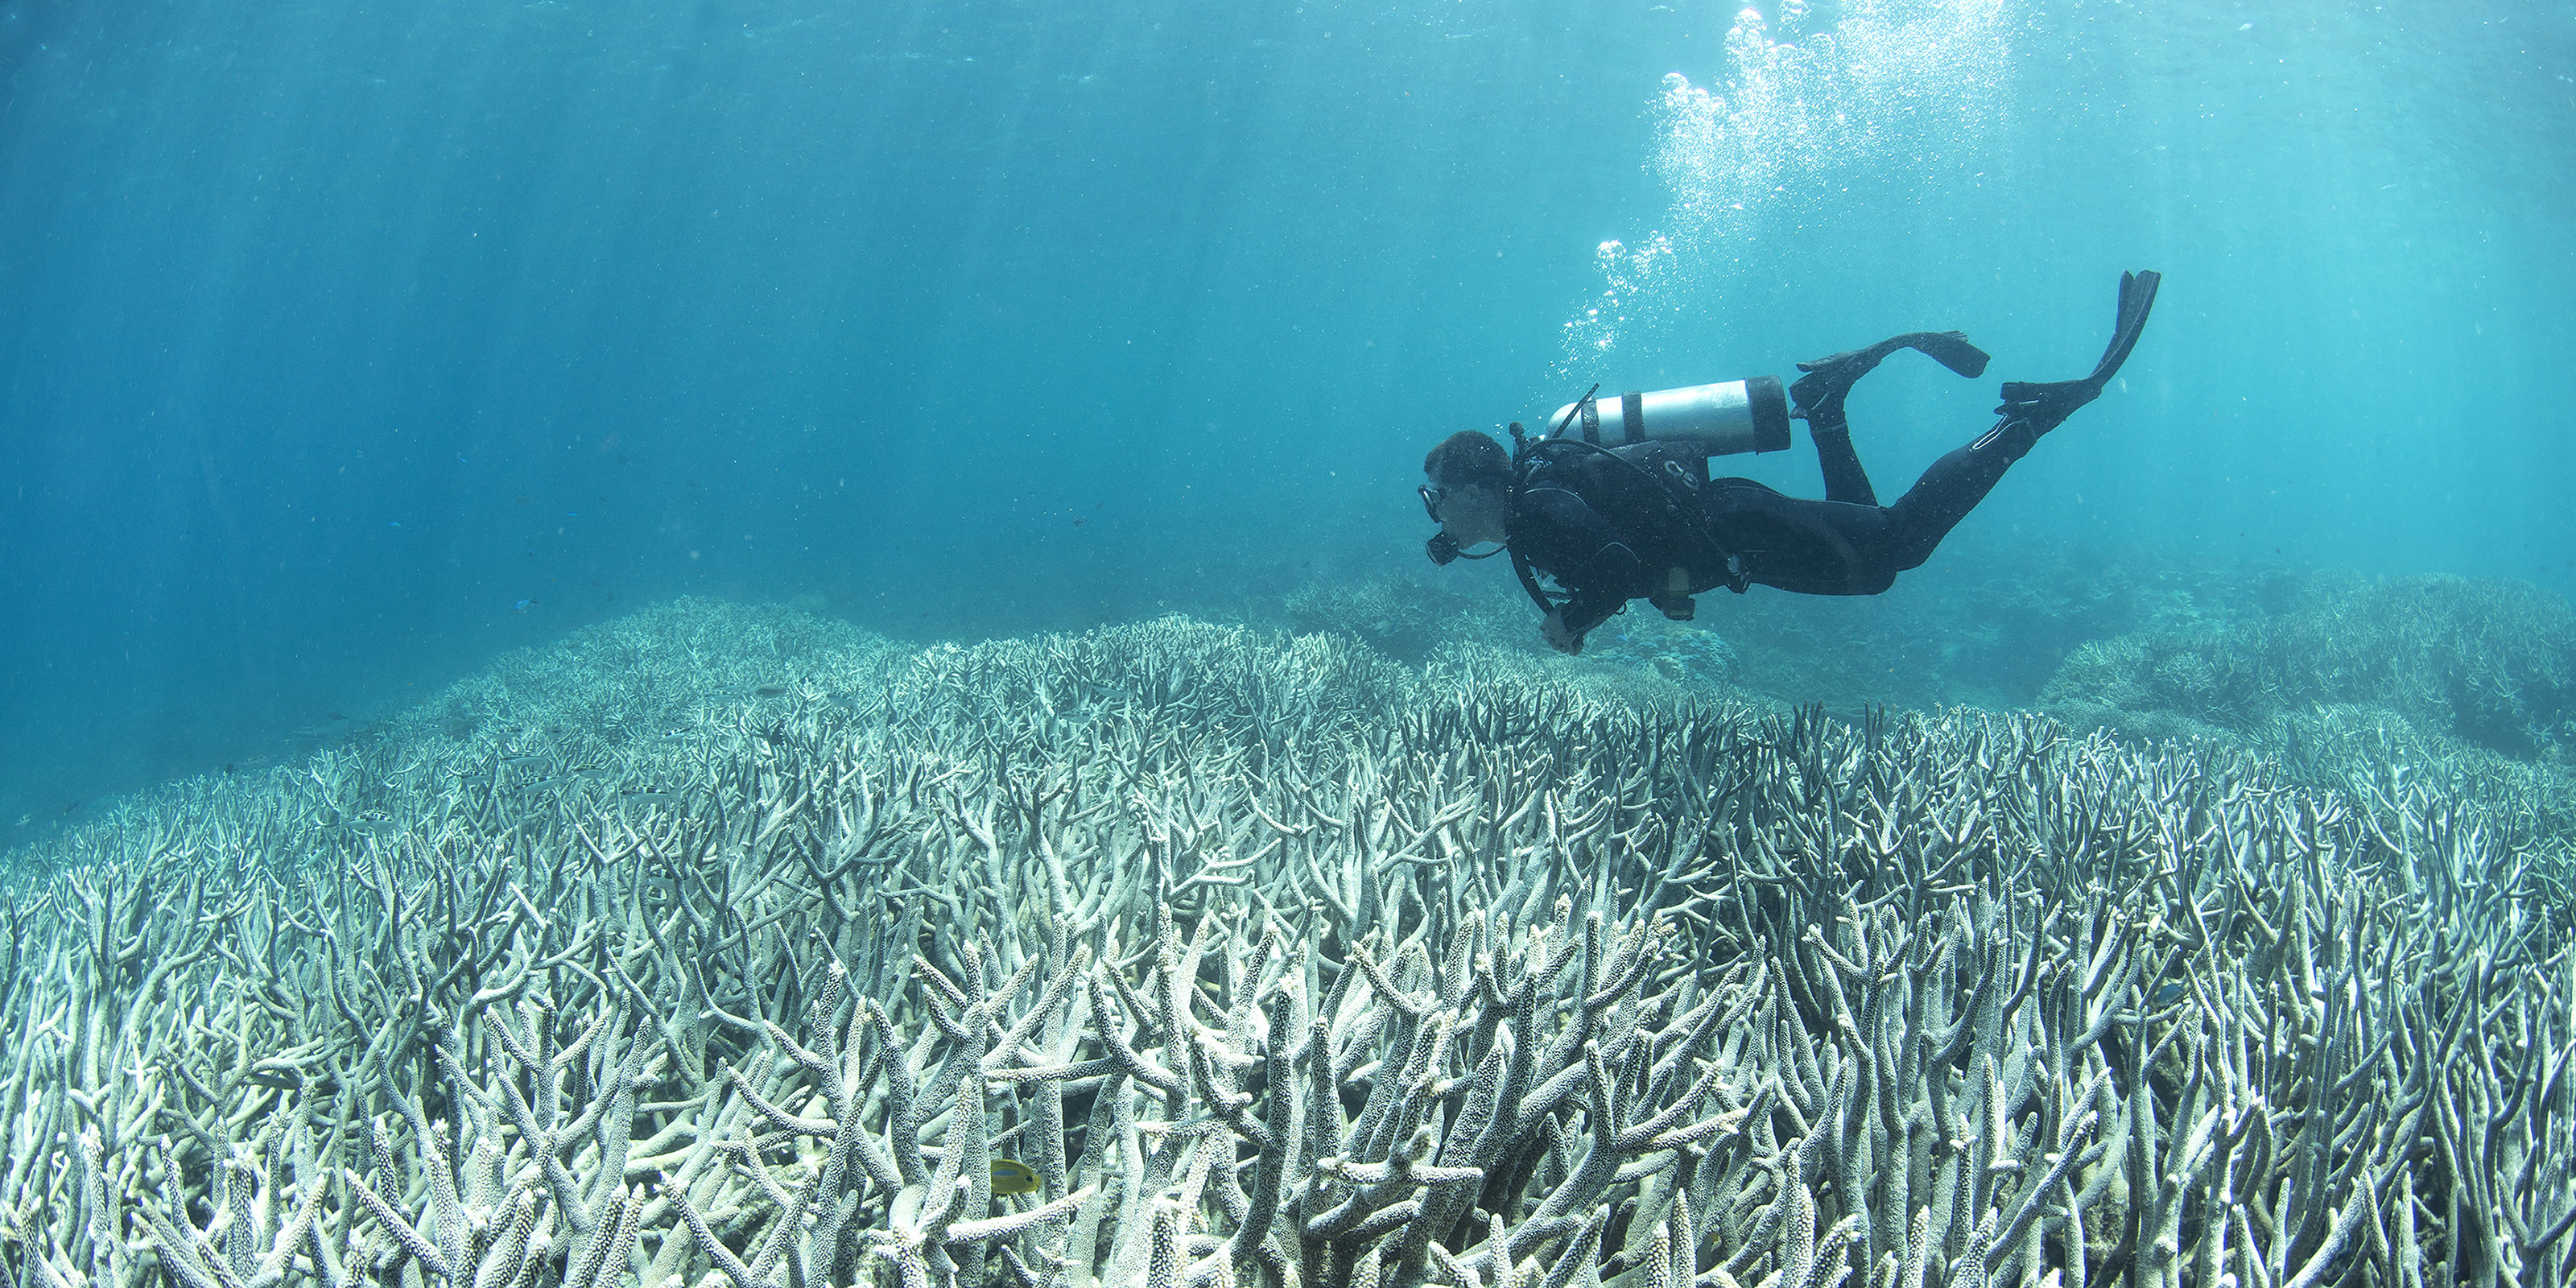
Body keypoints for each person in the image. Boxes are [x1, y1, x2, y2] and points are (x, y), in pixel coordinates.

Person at [1420, 270, 2159, 654]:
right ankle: (1828, 407)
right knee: (1873, 563)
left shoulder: (1541, 508)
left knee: (1897, 546)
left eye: (1439, 498)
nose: (1437, 514)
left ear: (1482, 486)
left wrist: (1570, 621)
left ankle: (2025, 424)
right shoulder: (1532, 510)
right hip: (1732, 535)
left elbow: (1614, 567)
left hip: (1738, 528)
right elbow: (1622, 560)